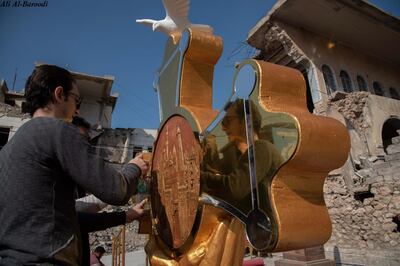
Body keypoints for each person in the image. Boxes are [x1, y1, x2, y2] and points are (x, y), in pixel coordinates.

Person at [0, 65, 149, 265]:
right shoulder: (57, 131)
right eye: (76, 100)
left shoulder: (9, 149)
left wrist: (125, 216)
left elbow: (71, 215)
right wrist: (135, 166)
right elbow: (116, 189)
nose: (77, 109)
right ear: (59, 94)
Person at [200, 99, 283, 214]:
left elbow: (234, 189)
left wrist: (197, 177)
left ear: (246, 120)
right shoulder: (244, 156)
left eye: (227, 121)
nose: (223, 128)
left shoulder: (262, 148)